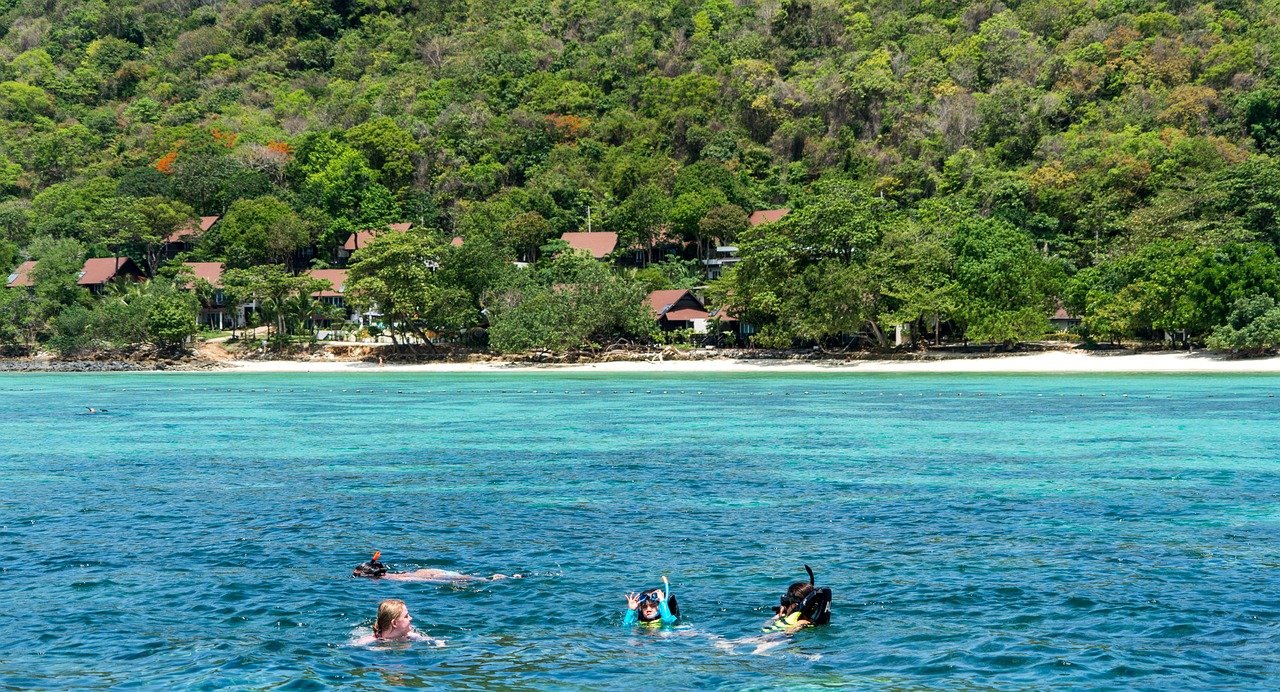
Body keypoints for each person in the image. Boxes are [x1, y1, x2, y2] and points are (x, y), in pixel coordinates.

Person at [352, 551, 520, 582]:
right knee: (464, 577)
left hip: (420, 577)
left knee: (470, 580)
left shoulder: (392, 580)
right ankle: (492, 578)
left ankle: (492, 579)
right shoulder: (394, 574)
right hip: (424, 571)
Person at [762, 565, 831, 634]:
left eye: (788, 602)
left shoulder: (802, 622)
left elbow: (786, 634)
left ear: (795, 604)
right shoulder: (785, 616)